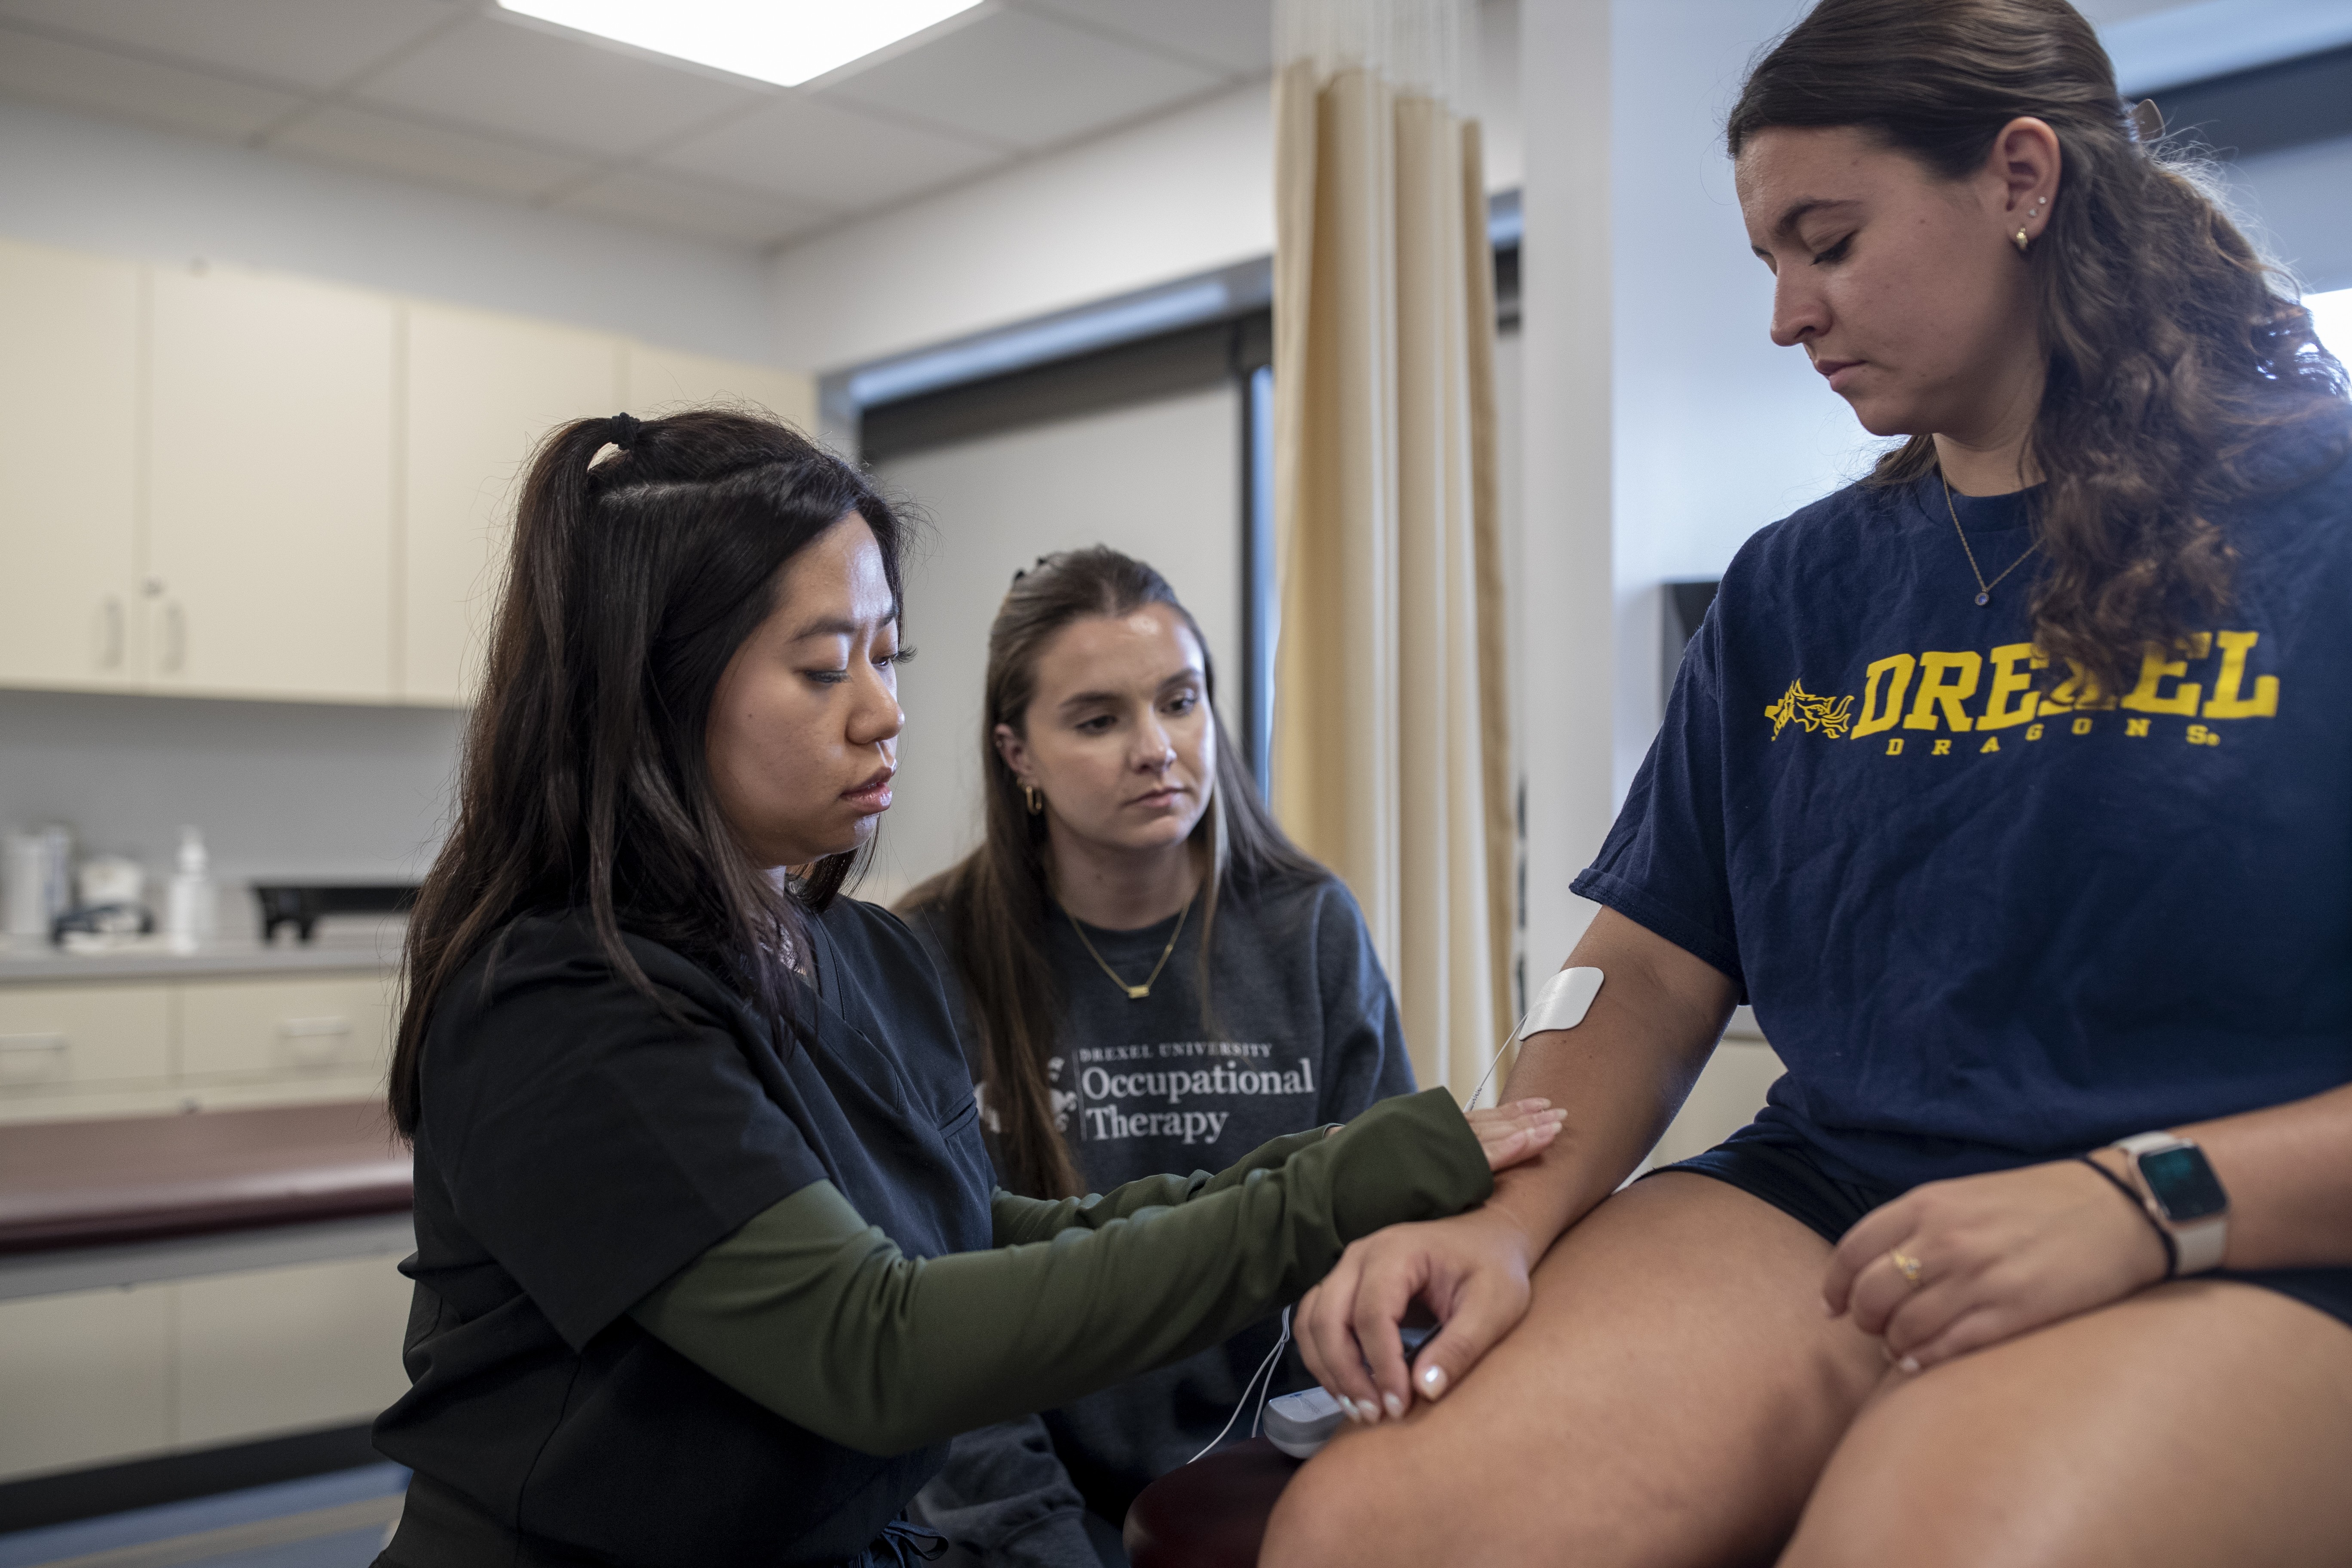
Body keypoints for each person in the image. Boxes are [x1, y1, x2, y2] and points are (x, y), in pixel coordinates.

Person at [1261, 2, 2352, 1564]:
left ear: (2020, 177)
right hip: (1835, 1196)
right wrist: (1503, 1213)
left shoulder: (2322, 524)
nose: (1787, 314)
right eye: (1770, 257)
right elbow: (1637, 969)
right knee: (1363, 1530)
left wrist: (2137, 1193)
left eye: (1825, 242)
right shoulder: (1797, 588)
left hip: (2220, 1214)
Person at [364, 409, 1566, 1568]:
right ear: (654, 690)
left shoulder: (860, 956)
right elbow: (879, 1345)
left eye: (889, 659)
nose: (885, 714)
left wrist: (1347, 1174)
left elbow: (974, 1233)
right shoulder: (564, 1003)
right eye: (826, 667)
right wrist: (1324, 1195)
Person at [897, 548, 1417, 1564]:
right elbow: (929, 1318)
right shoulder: (928, 953)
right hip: (1023, 1515)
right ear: (1018, 754)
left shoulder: (1308, 927)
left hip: (1284, 1489)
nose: (1158, 748)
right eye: (1098, 720)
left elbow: (1385, 1228)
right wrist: (1043, 1546)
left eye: (1180, 702)